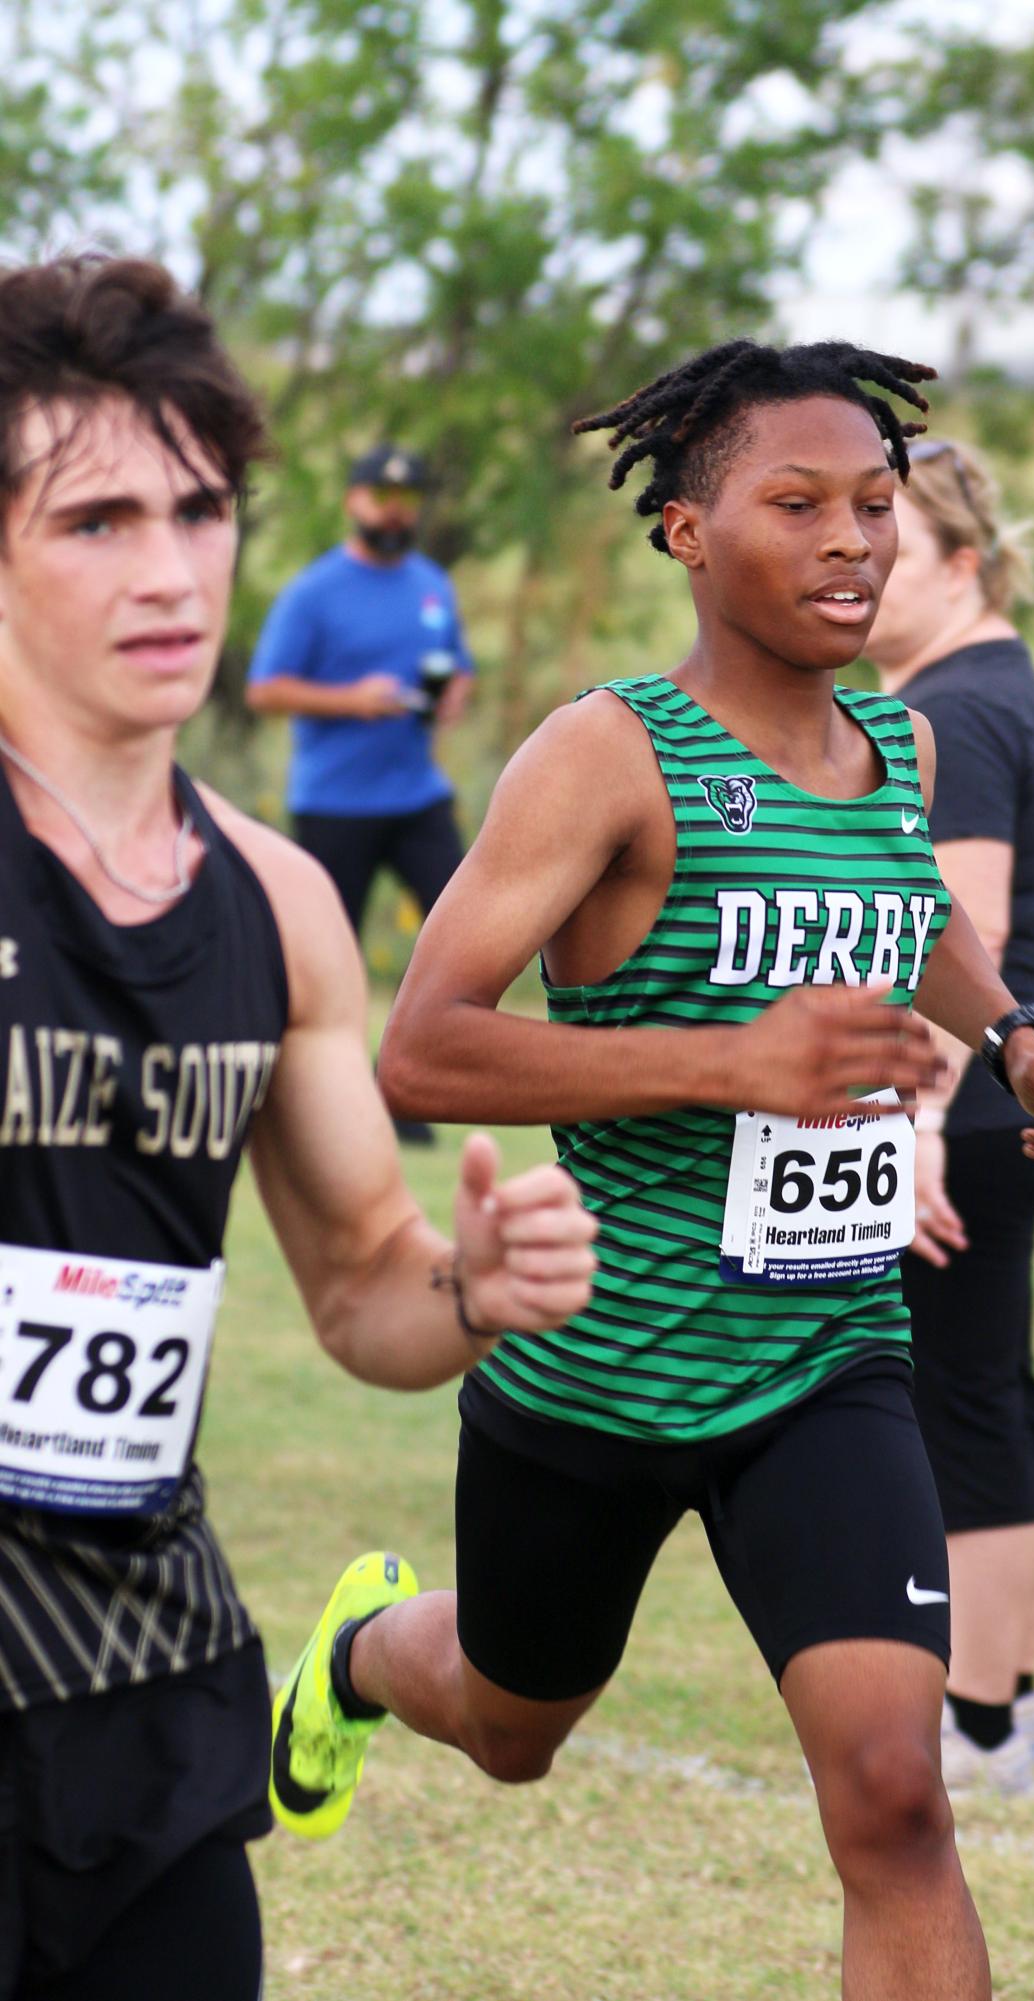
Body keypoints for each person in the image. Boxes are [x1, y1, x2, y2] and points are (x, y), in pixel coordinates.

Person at [272, 339, 1034, 2001]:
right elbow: (425, 1046)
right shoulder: (610, 752)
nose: (848, 540)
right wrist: (734, 1064)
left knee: (894, 1803)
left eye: (874, 505)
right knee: (513, 1726)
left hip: (826, 1355)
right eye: (793, 503)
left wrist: (1024, 1039)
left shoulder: (902, 750)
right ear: (683, 531)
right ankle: (369, 1652)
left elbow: (921, 919)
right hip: (598, 1366)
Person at [0, 253, 596, 2001]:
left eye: (197, 509)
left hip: (140, 1672)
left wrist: (471, 1285)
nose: (172, 570)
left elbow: (360, 1292)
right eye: (96, 519)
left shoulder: (277, 909)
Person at [864, 438, 1034, 1796]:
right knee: (999, 1394)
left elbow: (970, 928)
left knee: (964, 1409)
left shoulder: (965, 706)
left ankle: (985, 1721)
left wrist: (922, 1129)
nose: (856, 565)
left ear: (959, 564)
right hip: (1011, 1102)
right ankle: (1015, 1698)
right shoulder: (987, 683)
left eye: (885, 538)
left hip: (976, 1110)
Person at [245, 444, 474, 1139]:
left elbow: (456, 667)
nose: (395, 509)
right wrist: (352, 699)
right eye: (381, 496)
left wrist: (451, 696)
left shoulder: (431, 582)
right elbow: (264, 688)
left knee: (464, 935)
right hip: (334, 803)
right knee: (323, 961)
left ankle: (398, 1087)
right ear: (353, 500)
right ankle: (292, 1098)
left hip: (416, 796)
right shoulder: (313, 592)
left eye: (406, 498)